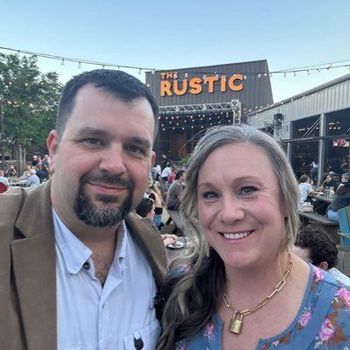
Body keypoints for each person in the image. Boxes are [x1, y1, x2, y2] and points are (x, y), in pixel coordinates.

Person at [0, 69, 167, 349]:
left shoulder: (150, 245)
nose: (114, 164)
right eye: (93, 140)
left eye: (135, 148)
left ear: (149, 162)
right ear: (54, 149)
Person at [157, 125, 350, 349]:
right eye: (210, 194)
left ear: (286, 200)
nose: (229, 214)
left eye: (248, 190)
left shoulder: (340, 313)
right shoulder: (180, 289)